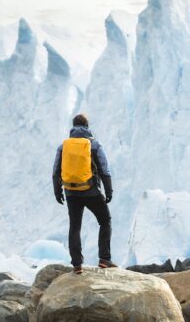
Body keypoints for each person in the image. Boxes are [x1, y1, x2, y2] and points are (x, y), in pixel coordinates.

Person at [52, 113, 115, 273]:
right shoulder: (93, 144)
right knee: (105, 221)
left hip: (71, 192)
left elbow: (56, 170)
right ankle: (104, 259)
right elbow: (103, 168)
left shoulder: (64, 146)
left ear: (73, 127)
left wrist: (57, 190)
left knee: (75, 227)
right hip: (90, 191)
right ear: (87, 127)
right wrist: (108, 189)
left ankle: (77, 265)